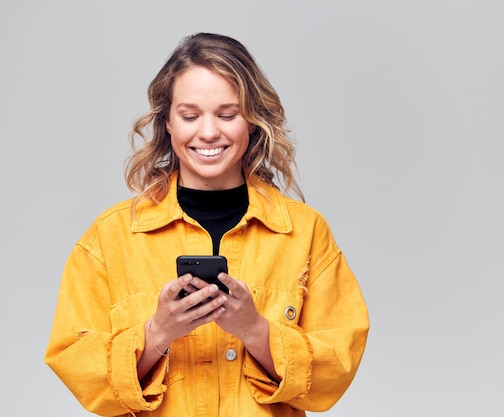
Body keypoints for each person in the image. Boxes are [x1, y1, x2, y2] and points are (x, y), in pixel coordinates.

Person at [44, 32, 369, 417]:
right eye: (190, 115)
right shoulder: (110, 236)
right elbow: (76, 364)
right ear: (167, 122)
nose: (209, 131)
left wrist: (256, 331)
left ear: (252, 121)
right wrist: (157, 333)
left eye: (228, 114)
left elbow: (338, 367)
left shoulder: (305, 233)